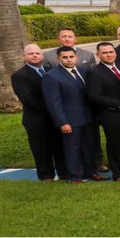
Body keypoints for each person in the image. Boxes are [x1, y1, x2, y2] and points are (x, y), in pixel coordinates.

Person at [42, 46, 102, 183]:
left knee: (89, 147)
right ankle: (75, 176)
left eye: (71, 56)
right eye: (65, 57)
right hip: (70, 120)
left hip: (88, 118)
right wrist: (62, 122)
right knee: (72, 149)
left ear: (77, 57)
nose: (69, 60)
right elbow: (53, 103)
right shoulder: (51, 76)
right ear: (58, 58)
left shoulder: (84, 72)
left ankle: (91, 172)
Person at [12, 44, 69, 181]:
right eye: (31, 53)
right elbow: (27, 99)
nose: (35, 55)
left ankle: (64, 173)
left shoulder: (52, 70)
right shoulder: (19, 76)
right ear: (24, 56)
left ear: (42, 55)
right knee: (41, 149)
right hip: (37, 119)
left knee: (60, 146)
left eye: (37, 53)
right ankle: (46, 175)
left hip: (56, 118)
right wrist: (54, 108)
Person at [86, 42, 120, 181]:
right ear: (98, 55)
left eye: (111, 52)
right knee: (115, 145)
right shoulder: (94, 73)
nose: (108, 55)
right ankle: (118, 174)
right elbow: (94, 96)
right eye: (104, 53)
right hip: (111, 114)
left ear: (115, 53)